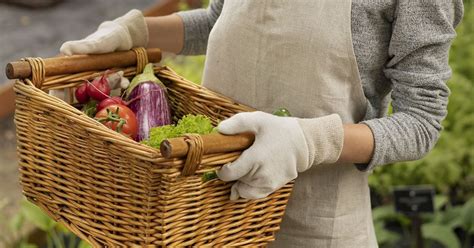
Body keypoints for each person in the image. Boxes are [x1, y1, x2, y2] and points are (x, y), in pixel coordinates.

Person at [60, 1, 464, 247]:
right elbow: (219, 20)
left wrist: (308, 141)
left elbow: (421, 122)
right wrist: (137, 30)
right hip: (207, 218)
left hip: (314, 228)